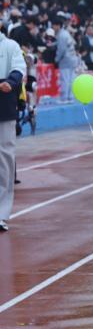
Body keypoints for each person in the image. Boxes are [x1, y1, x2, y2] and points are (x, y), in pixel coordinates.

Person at [0, 31, 27, 232]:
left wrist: (10, 82)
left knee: (4, 159)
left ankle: (1, 213)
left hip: (4, 105)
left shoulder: (10, 45)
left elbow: (19, 68)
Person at [53, 18, 78, 102]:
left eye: (54, 26)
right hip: (72, 58)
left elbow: (62, 49)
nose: (53, 27)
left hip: (66, 60)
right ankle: (70, 97)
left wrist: (56, 59)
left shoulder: (61, 35)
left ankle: (64, 98)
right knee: (71, 79)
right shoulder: (65, 33)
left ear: (58, 26)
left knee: (65, 79)